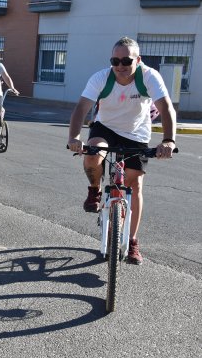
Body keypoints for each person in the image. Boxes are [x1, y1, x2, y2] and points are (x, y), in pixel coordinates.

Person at [67, 36, 177, 265]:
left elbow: (165, 108)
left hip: (136, 133)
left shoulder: (149, 77)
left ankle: (133, 241)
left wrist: (168, 140)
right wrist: (74, 138)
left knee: (134, 184)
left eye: (126, 60)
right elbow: (81, 108)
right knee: (92, 154)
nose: (120, 66)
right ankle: (94, 190)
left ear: (138, 60)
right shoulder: (102, 77)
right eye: (115, 61)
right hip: (105, 127)